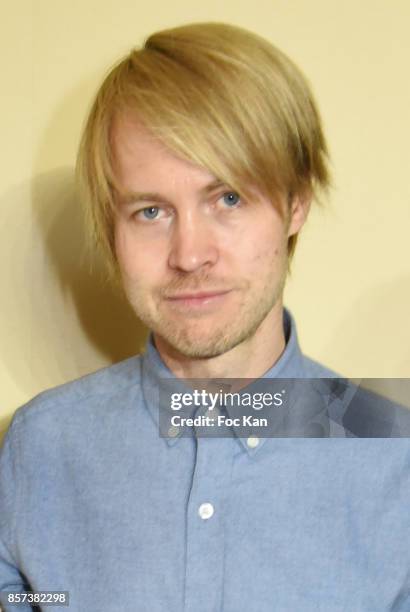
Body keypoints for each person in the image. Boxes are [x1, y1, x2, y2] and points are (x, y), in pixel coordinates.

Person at [0, 22, 409, 612]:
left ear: (296, 203)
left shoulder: (395, 463)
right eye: (149, 211)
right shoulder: (40, 449)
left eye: (229, 198)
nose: (189, 255)